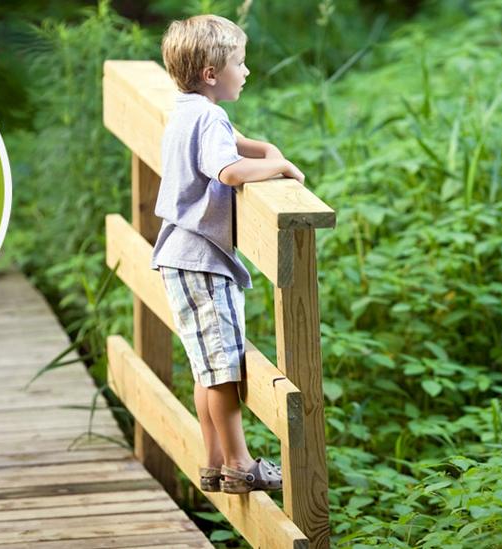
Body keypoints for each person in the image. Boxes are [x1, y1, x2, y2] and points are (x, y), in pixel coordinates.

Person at [150, 14, 305, 494]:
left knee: (206, 365)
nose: (248, 70)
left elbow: (234, 145)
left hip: (180, 254)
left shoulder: (188, 110)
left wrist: (263, 148)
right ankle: (240, 463)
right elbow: (227, 170)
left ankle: (214, 461)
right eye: (240, 62)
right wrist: (277, 166)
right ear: (212, 74)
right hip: (202, 258)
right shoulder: (208, 116)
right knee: (223, 370)